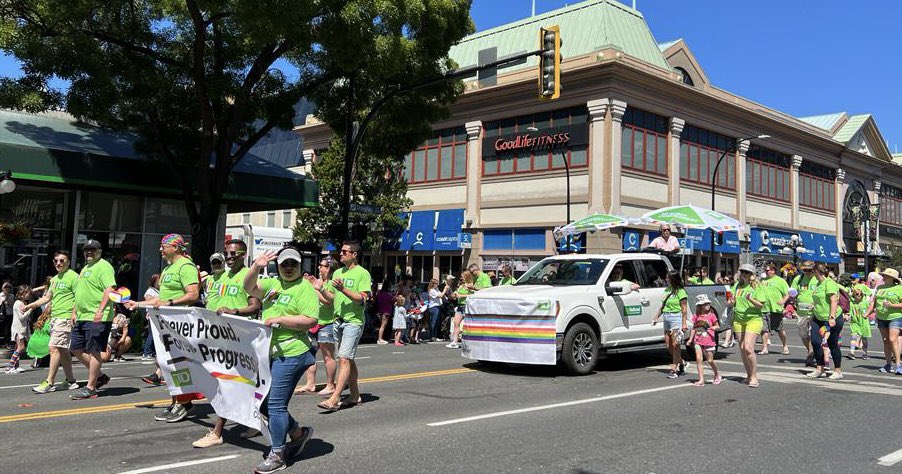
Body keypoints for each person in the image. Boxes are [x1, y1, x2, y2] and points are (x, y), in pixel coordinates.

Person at [242, 247, 317, 473]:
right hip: (269, 352)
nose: (288, 268)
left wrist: (281, 320)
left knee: (275, 404)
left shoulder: (305, 288)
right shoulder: (272, 284)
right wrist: (256, 266)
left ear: (299, 265)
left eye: (293, 264)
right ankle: (298, 433)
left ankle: (277, 454)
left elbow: (310, 319)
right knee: (263, 402)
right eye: (284, 264)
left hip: (292, 352)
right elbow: (247, 287)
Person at [192, 239, 263, 447]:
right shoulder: (221, 276)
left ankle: (217, 432)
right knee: (241, 383)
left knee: (227, 383)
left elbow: (255, 306)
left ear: (243, 255)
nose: (230, 257)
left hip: (239, 338)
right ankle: (257, 420)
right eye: (227, 254)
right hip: (218, 336)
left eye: (234, 254)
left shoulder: (248, 276)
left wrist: (235, 311)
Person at [125, 234, 201, 422]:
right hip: (165, 324)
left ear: (176, 247)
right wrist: (138, 304)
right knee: (167, 363)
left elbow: (193, 295)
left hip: (180, 324)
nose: (160, 249)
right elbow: (159, 299)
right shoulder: (168, 268)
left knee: (178, 363)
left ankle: (183, 402)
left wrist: (171, 302)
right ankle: (176, 400)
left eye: (163, 246)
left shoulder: (186, 266)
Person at [318, 241, 371, 412]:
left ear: (354, 254)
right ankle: (354, 395)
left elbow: (363, 298)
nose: (340, 254)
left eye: (344, 251)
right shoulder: (338, 272)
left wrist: (343, 289)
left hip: (353, 321)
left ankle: (334, 398)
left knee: (344, 358)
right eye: (340, 251)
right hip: (338, 320)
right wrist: (319, 289)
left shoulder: (362, 273)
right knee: (347, 358)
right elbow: (330, 299)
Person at [68, 240, 117, 399]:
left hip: (97, 316)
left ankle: (91, 387)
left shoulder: (104, 266)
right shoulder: (85, 268)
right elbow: (81, 292)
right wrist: (74, 311)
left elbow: (110, 289)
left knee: (94, 351)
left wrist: (100, 310)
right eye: (86, 250)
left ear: (99, 251)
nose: (89, 252)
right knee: (75, 348)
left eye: (92, 250)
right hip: (82, 316)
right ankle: (100, 376)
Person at [27, 251, 80, 392]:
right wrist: (32, 305)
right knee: (63, 351)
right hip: (55, 318)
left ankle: (49, 382)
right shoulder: (55, 279)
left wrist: (73, 314)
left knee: (54, 348)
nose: (58, 263)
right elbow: (47, 297)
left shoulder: (74, 277)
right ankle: (71, 381)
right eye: (56, 260)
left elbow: (79, 297)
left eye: (62, 260)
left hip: (65, 318)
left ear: (68, 262)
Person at [296, 256, 338, 397]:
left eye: (323, 266)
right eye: (319, 265)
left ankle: (330, 385)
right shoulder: (319, 281)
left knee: (328, 356)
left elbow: (328, 301)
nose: (319, 268)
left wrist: (316, 289)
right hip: (313, 322)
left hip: (327, 322)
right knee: (309, 355)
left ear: (330, 268)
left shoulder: (332, 283)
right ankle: (310, 384)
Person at [727, 263, 765, 388]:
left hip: (753, 319)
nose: (743, 274)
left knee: (748, 347)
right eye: (742, 271)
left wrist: (751, 299)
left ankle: (754, 376)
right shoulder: (737, 286)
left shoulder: (756, 286)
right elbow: (730, 302)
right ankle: (748, 375)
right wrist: (731, 302)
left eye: (746, 272)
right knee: (742, 348)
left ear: (752, 275)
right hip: (738, 320)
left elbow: (761, 305)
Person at [806, 263, 843, 380]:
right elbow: (819, 301)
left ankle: (837, 370)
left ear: (816, 272)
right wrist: (813, 311)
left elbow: (834, 301)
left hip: (832, 318)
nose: (811, 274)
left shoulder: (829, 283)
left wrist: (831, 318)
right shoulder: (818, 284)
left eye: (812, 272)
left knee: (832, 343)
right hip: (818, 318)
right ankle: (820, 368)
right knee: (816, 342)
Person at [652, 271, 688, 378]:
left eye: (668, 278)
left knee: (676, 344)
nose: (666, 279)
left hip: (676, 317)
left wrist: (684, 323)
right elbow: (663, 306)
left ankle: (674, 369)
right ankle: (682, 363)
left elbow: (684, 309)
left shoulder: (681, 291)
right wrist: (656, 317)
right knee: (669, 345)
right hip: (667, 317)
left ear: (673, 279)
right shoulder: (667, 290)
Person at [868, 268, 902, 374]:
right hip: (881, 317)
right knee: (886, 340)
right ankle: (888, 364)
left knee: (892, 339)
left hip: (895, 317)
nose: (884, 277)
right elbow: (874, 302)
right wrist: (868, 312)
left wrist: (892, 305)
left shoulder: (899, 288)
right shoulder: (880, 287)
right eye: (884, 275)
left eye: (886, 276)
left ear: (892, 278)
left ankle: (898, 364)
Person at [688, 294, 721, 386]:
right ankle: (701, 380)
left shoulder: (712, 315)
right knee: (699, 359)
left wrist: (712, 328)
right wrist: (690, 339)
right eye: (705, 304)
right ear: (700, 306)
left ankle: (717, 374)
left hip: (709, 340)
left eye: (708, 303)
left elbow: (717, 326)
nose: (708, 305)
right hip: (698, 340)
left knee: (710, 360)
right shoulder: (696, 316)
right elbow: (694, 328)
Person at [758, 262, 790, 355]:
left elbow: (787, 293)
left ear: (773, 270)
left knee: (779, 329)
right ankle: (765, 348)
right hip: (764, 308)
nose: (766, 272)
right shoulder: (762, 281)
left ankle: (785, 345)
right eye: (765, 270)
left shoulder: (780, 281)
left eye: (767, 270)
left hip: (776, 308)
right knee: (764, 329)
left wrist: (783, 301)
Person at [791, 260, 818, 367]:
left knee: (813, 334)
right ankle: (810, 350)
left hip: (815, 311)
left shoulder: (817, 279)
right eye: (804, 270)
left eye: (809, 270)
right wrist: (793, 298)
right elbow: (792, 291)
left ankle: (811, 353)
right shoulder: (799, 279)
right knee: (804, 334)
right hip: (801, 311)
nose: (806, 272)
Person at [6, 285, 32, 373]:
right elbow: (21, 317)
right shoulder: (18, 303)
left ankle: (16, 366)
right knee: (21, 347)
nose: (29, 295)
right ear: (22, 294)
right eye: (27, 293)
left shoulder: (22, 302)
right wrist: (30, 310)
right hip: (18, 328)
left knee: (18, 347)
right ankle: (10, 366)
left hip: (20, 328)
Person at [447, 269, 473, 349]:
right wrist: (454, 295)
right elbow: (456, 293)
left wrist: (461, 296)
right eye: (461, 277)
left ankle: (470, 341)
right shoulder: (461, 285)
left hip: (466, 305)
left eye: (463, 276)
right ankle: (455, 342)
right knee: (456, 323)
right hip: (459, 306)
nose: (461, 278)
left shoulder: (471, 284)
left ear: (467, 276)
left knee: (468, 325)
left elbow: (473, 294)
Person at [141, 274, 161, 360]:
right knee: (152, 334)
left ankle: (152, 351)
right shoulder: (150, 291)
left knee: (156, 333)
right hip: (152, 314)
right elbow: (148, 302)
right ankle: (146, 352)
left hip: (158, 314)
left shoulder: (158, 291)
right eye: (158, 281)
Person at [848, 286, 871, 360]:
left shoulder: (865, 302)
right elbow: (849, 312)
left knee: (864, 339)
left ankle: (865, 353)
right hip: (855, 322)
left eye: (860, 294)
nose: (859, 295)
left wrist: (867, 314)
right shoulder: (852, 303)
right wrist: (847, 316)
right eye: (857, 294)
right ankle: (852, 352)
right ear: (854, 295)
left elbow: (871, 309)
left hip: (864, 323)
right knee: (854, 337)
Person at [427, 277, 452, 341]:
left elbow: (442, 295)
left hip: (438, 307)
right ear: (432, 284)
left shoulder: (436, 290)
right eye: (436, 283)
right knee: (433, 322)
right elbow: (440, 296)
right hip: (433, 308)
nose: (437, 285)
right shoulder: (432, 290)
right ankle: (432, 336)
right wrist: (445, 289)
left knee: (437, 322)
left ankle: (435, 336)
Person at [374, 280, 394, 344]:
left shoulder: (379, 294)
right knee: (383, 325)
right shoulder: (389, 295)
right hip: (386, 311)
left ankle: (380, 338)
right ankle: (380, 339)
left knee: (381, 325)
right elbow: (393, 301)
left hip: (380, 311)